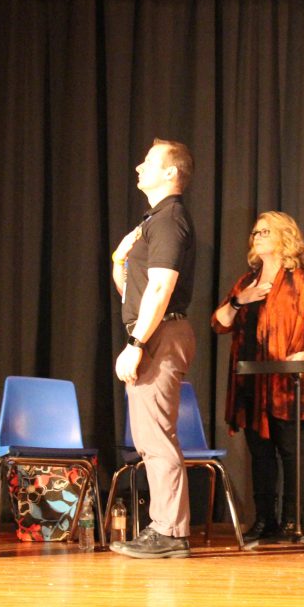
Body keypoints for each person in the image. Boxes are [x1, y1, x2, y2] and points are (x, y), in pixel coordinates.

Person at [211, 211, 304, 542]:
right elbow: (219, 323)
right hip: (252, 385)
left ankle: (293, 522)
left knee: (292, 455)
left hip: (288, 387)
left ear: (283, 238)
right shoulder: (246, 283)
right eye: (255, 232)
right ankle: (265, 521)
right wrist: (237, 301)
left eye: (265, 231)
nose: (257, 236)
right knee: (260, 456)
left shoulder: (298, 281)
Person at [109, 138, 197, 559]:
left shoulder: (168, 219)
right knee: (149, 436)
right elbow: (137, 290)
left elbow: (162, 288)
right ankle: (165, 529)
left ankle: (170, 532)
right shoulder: (155, 220)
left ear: (170, 173)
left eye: (148, 163)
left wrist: (136, 343)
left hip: (160, 335)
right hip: (155, 330)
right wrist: (118, 262)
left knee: (156, 437)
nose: (138, 168)